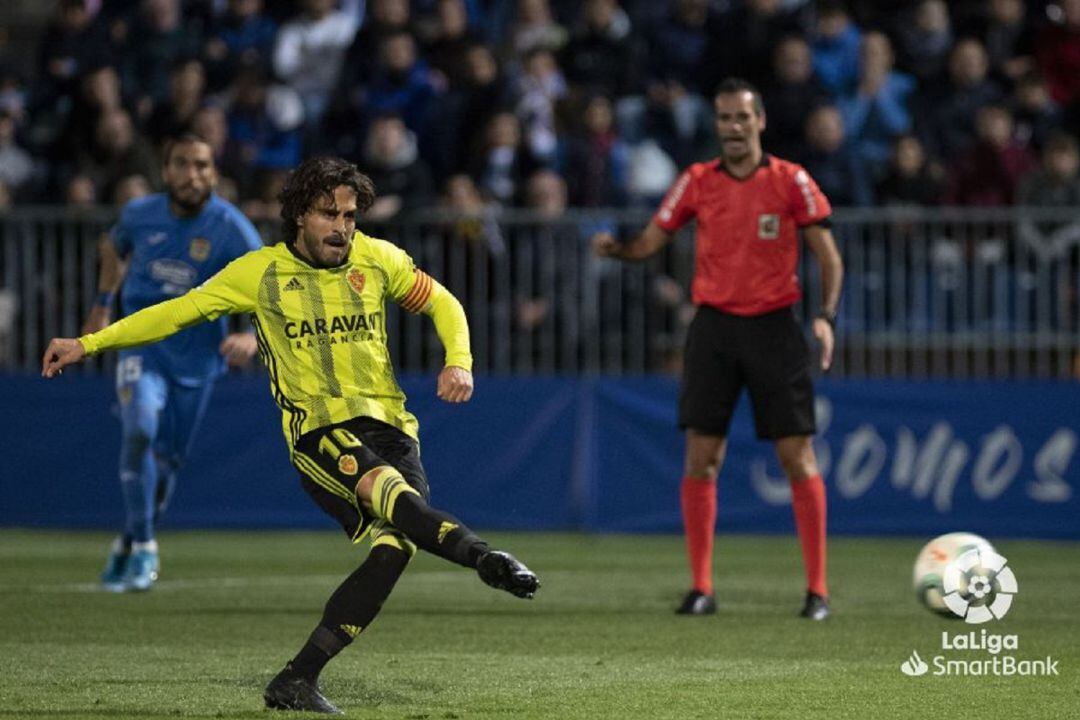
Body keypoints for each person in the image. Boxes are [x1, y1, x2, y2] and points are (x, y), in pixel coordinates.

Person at [43, 155, 540, 713]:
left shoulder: (377, 259)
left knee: (394, 549)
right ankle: (485, 559)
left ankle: (296, 680)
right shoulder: (260, 273)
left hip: (395, 430)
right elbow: (178, 312)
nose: (342, 226)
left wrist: (460, 361)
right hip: (319, 432)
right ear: (299, 215)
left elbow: (445, 302)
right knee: (396, 502)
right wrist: (89, 344)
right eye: (329, 213)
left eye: (350, 214)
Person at [592, 78, 843, 620]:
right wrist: (618, 250)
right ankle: (701, 587)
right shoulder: (697, 181)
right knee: (703, 458)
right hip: (714, 330)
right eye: (725, 118)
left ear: (761, 122)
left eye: (742, 118)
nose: (733, 127)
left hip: (777, 328)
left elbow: (829, 256)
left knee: (796, 456)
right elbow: (651, 241)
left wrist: (825, 318)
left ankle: (818, 591)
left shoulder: (791, 181)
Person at [80, 133, 265, 592]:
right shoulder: (140, 214)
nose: (192, 174)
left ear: (214, 173)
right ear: (166, 172)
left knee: (167, 462)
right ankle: (146, 548)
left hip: (198, 359)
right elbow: (112, 246)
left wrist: (252, 335)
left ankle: (128, 540)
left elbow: (273, 289)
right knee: (139, 428)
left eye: (202, 165)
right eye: (182, 164)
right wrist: (104, 304)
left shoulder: (233, 228)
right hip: (142, 345)